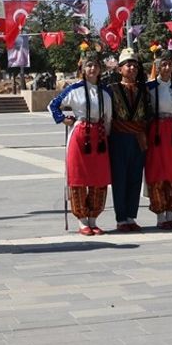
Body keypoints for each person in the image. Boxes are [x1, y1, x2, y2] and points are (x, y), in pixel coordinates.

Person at [49, 51, 113, 235]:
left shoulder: (106, 92)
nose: (92, 69)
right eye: (89, 66)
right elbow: (53, 104)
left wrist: (106, 137)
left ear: (100, 69)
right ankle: (82, 220)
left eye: (95, 66)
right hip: (80, 135)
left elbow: (109, 118)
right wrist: (62, 119)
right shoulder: (74, 89)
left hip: (99, 136)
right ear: (83, 69)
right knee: (79, 178)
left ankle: (94, 218)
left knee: (99, 179)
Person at [107, 48, 151, 232]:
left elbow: (149, 114)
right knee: (120, 179)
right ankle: (121, 218)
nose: (131, 68)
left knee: (135, 178)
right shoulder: (111, 90)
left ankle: (131, 216)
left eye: (134, 65)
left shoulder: (144, 90)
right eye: (127, 65)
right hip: (119, 139)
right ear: (119, 69)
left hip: (138, 139)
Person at [145, 48, 172, 229]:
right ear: (157, 66)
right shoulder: (149, 88)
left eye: (170, 64)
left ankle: (170, 213)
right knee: (157, 173)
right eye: (163, 64)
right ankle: (159, 214)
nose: (167, 67)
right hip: (156, 134)